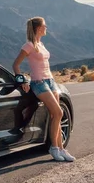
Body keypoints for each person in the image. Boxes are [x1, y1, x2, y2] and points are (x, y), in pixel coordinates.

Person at [12, 16, 75, 162]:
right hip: (39, 83)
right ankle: (53, 148)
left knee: (56, 116)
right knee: (58, 112)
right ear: (38, 28)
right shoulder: (29, 45)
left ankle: (61, 149)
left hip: (51, 81)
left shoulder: (41, 44)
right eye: (44, 26)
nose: (46, 28)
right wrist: (21, 80)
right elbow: (16, 64)